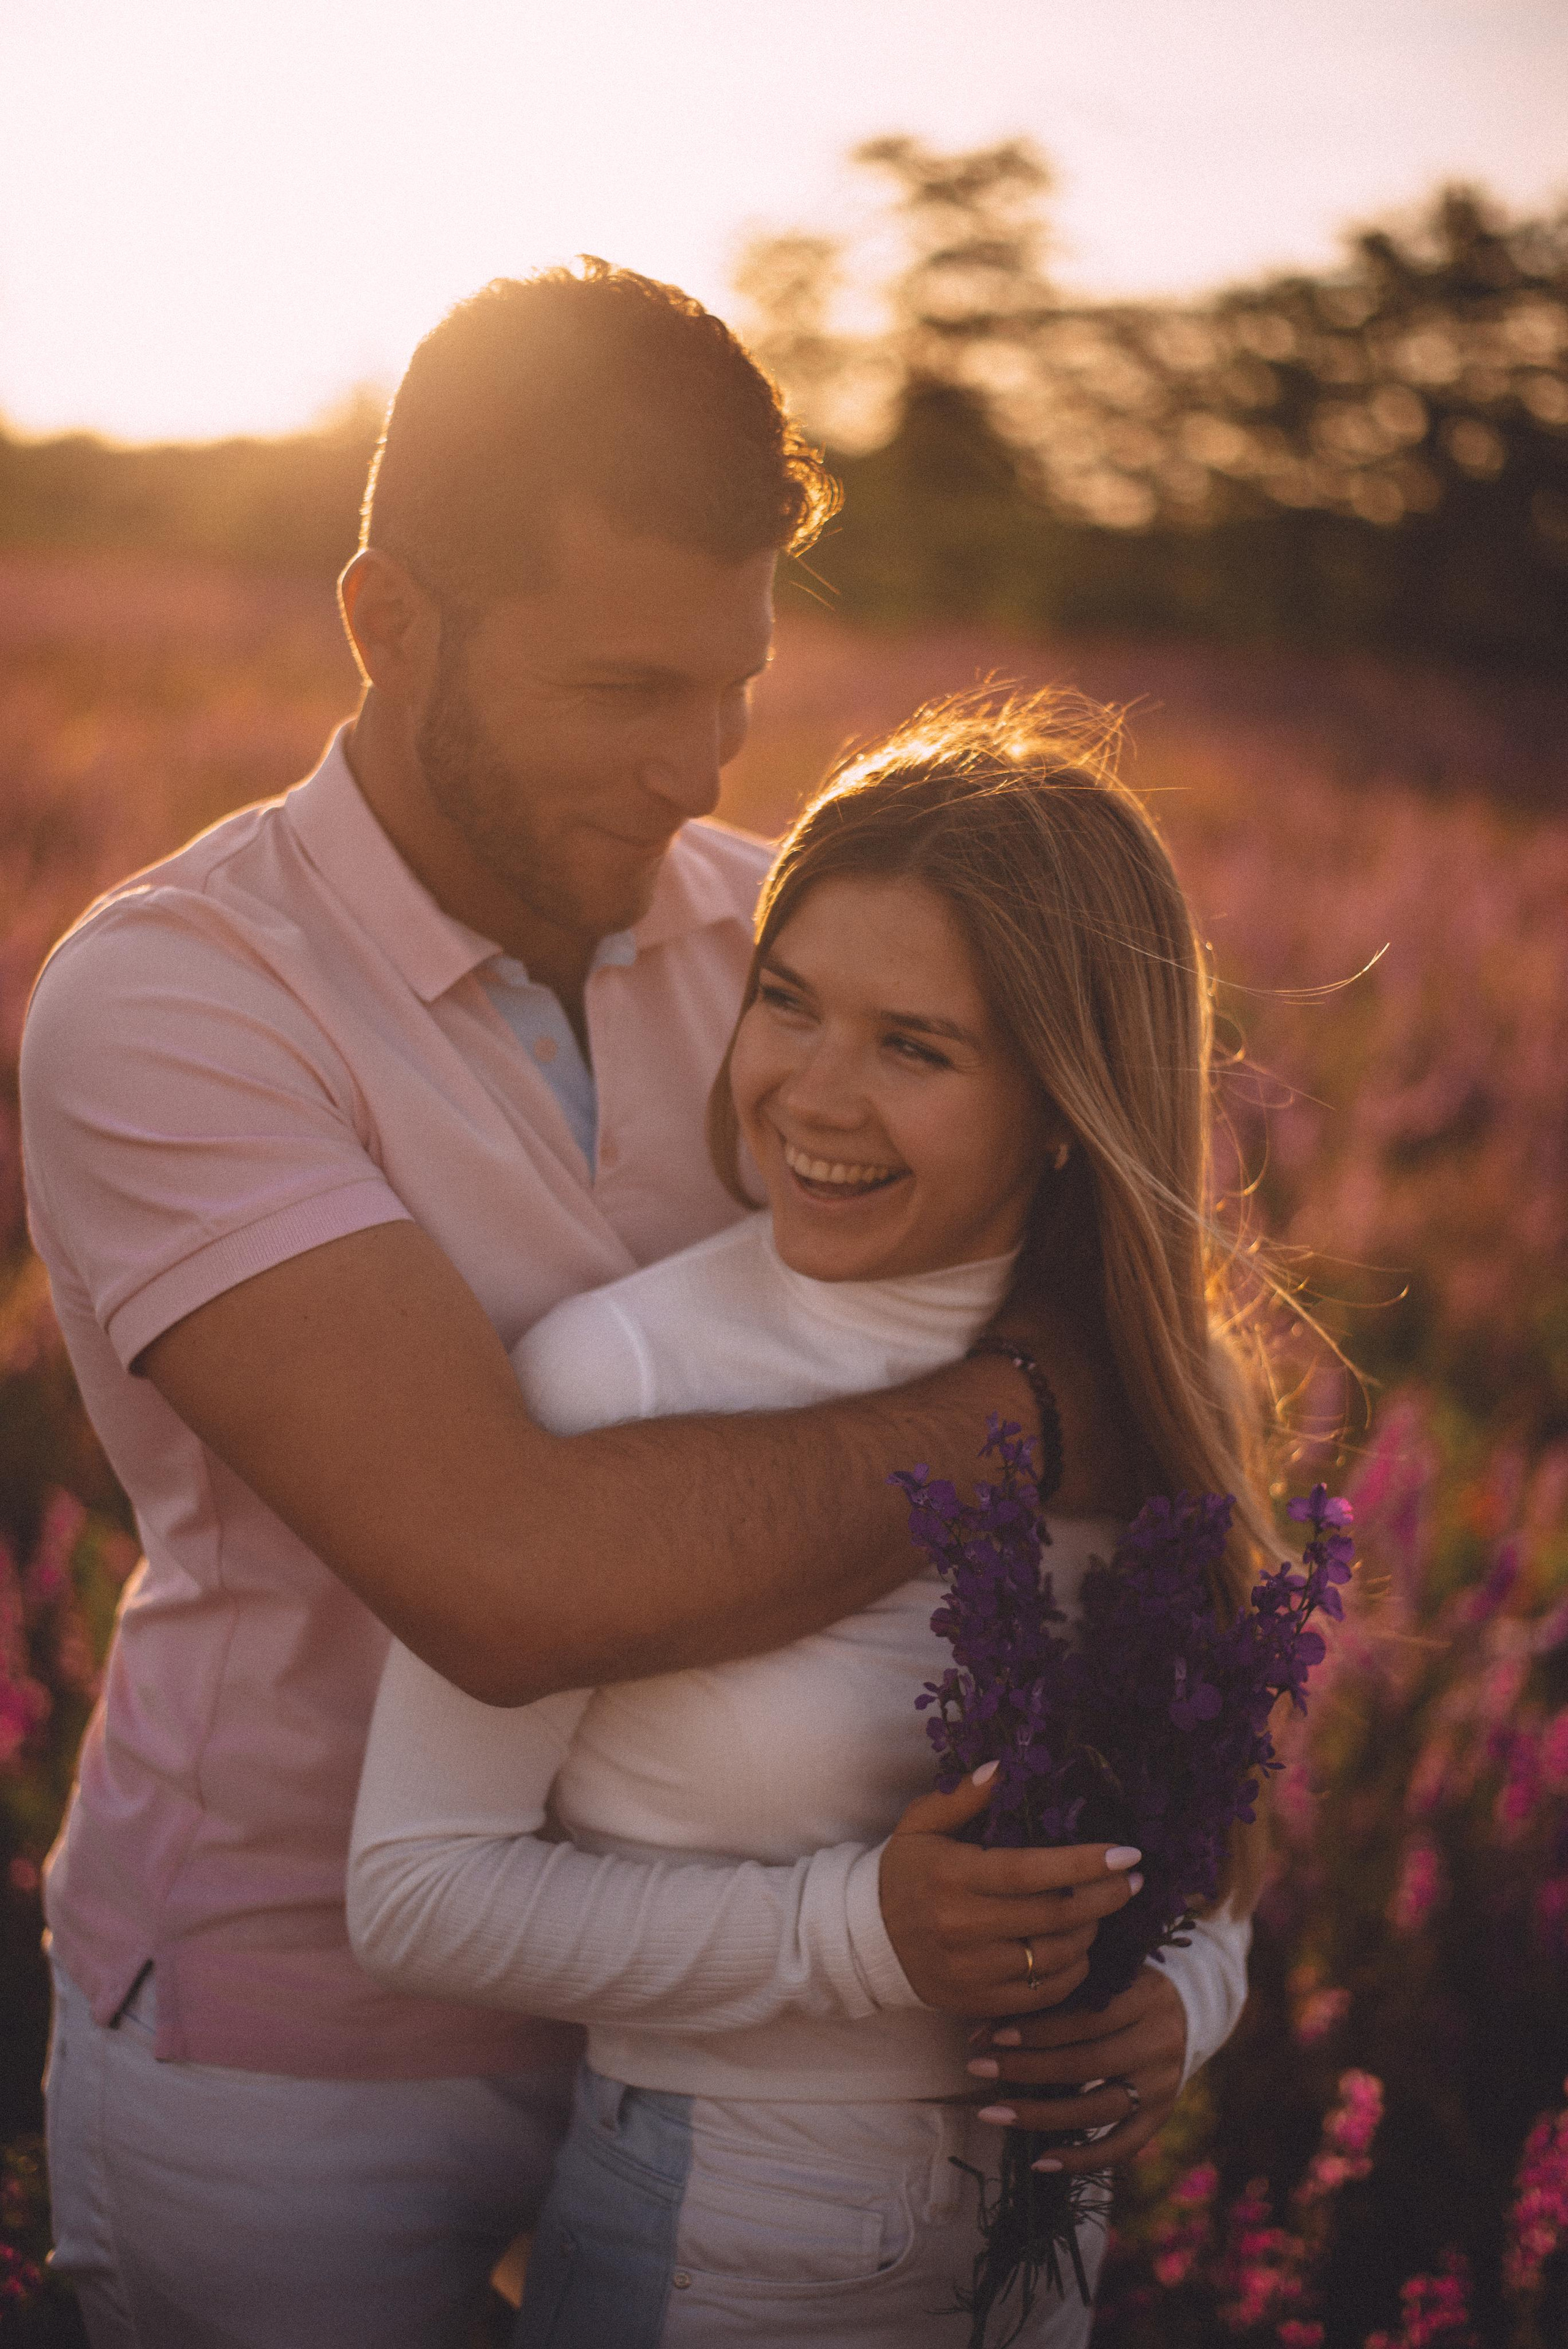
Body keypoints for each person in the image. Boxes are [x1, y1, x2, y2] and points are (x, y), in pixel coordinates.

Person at [17, 265, 1174, 2349]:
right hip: (302, 2047)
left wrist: (1179, 1966)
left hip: (725, 2032)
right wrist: (1037, 1408)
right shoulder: (176, 996)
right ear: (388, 624)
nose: (693, 768)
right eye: (625, 687)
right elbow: (506, 1577)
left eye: (733, 686)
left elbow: (1164, 1379)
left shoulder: (784, 944)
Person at [347, 697, 1264, 2348]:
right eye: (788, 1003)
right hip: (722, 2232)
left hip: (1047, 2261)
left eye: (916, 1046)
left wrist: (1183, 2001)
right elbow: (412, 1891)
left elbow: (1220, 1850)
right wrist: (855, 1935)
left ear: (1068, 1096)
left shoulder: (1165, 1385)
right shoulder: (621, 1373)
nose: (813, 1097)